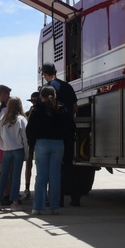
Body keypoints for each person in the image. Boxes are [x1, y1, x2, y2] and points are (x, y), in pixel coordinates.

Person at [26, 86, 72, 216]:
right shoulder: (62, 109)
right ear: (55, 95)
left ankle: (38, 208)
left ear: (41, 96)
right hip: (58, 143)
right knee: (55, 176)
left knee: (41, 176)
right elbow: (69, 127)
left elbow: (30, 129)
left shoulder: (36, 110)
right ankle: (54, 207)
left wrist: (32, 143)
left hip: (41, 143)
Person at [41, 62, 80, 206]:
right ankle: (76, 198)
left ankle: (58, 199)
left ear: (45, 74)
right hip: (68, 130)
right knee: (69, 165)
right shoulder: (67, 86)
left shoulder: (46, 89)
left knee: (55, 167)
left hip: (53, 134)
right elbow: (75, 108)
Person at [0, 96, 28, 211]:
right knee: (16, 176)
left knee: (4, 175)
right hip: (18, 149)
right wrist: (26, 153)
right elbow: (25, 137)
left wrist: (3, 143)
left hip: (6, 150)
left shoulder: (2, 119)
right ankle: (14, 202)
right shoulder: (21, 119)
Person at [23, 91, 39, 199]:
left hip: (34, 141)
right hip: (33, 141)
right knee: (30, 164)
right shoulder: (29, 112)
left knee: (32, 165)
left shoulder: (31, 112)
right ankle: (27, 188)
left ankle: (28, 188)